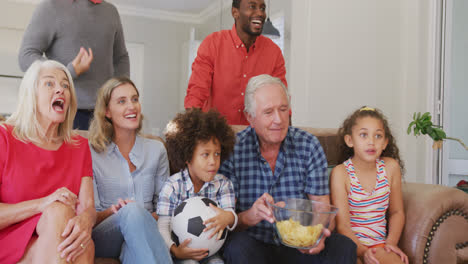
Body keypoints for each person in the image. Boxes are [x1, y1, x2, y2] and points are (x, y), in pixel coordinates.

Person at [218, 74, 357, 264]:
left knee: (344, 246)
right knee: (237, 247)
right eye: (268, 112)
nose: (279, 119)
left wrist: (318, 236)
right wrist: (251, 215)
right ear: (250, 117)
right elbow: (226, 221)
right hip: (255, 242)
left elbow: (322, 208)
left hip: (298, 245)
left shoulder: (308, 145)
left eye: (283, 109)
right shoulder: (233, 149)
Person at [0, 60, 95, 263]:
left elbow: (87, 208)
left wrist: (85, 221)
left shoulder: (79, 146)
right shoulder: (4, 138)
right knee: (59, 210)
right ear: (31, 94)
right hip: (8, 242)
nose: (60, 90)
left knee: (83, 244)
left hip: (54, 243)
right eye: (50, 84)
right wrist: (43, 204)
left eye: (65, 85)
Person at [88, 77, 172, 264]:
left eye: (134, 99)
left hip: (144, 231)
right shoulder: (91, 153)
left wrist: (146, 219)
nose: (132, 106)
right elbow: (89, 215)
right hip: (106, 234)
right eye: (122, 101)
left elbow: (165, 206)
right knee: (132, 211)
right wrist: (115, 211)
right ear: (107, 111)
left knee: (135, 244)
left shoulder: (156, 149)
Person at [18, 0, 130, 130]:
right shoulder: (50, 8)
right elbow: (26, 56)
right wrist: (69, 72)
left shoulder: (111, 12)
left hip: (105, 113)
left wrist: (120, 93)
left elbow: (121, 58)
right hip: (65, 111)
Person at [184, 0, 287, 125]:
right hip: (216, 135)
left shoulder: (274, 52)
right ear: (235, 12)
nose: (260, 13)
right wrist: (193, 133)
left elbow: (281, 98)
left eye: (262, 8)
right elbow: (197, 92)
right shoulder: (213, 43)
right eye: (252, 6)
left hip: (254, 136)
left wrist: (288, 139)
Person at [157, 108, 237, 264]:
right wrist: (175, 250)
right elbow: (163, 225)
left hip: (213, 252)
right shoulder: (172, 186)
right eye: (205, 154)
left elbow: (231, 214)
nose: (213, 161)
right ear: (187, 156)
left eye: (217, 154)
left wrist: (227, 217)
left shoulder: (223, 184)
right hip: (182, 254)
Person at [330, 106, 409, 264]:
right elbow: (343, 226)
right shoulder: (341, 173)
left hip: (380, 247)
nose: (371, 142)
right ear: (350, 140)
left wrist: (391, 243)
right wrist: (364, 252)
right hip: (350, 247)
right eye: (363, 135)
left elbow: (397, 212)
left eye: (378, 136)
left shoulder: (390, 168)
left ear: (385, 143)